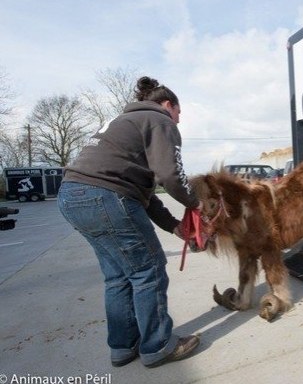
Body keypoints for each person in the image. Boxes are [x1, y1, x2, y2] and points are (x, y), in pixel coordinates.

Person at [58, 76, 200, 368]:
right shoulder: (160, 121)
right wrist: (195, 203)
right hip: (105, 196)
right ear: (168, 105)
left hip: (72, 195)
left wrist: (174, 225)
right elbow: (170, 176)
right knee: (149, 270)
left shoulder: (125, 123)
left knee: (118, 275)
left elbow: (142, 193)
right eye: (179, 113)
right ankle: (158, 345)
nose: (178, 120)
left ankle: (124, 346)